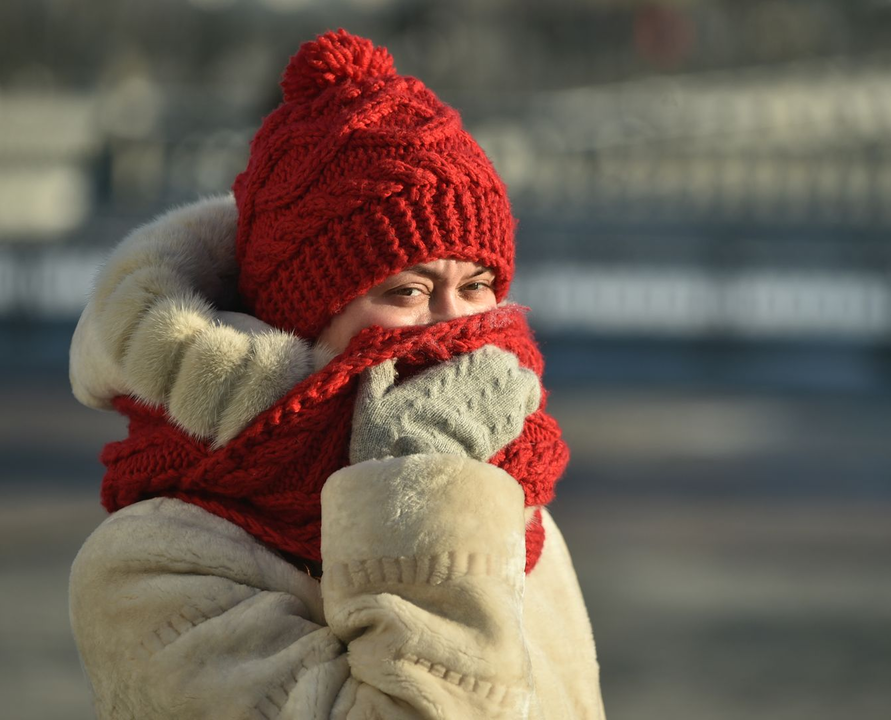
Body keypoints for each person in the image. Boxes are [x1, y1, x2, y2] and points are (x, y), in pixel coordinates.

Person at [68, 29, 605, 719]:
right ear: (302, 318)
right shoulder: (149, 565)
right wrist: (413, 486)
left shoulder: (504, 488)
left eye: (476, 285)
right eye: (406, 292)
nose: (452, 326)